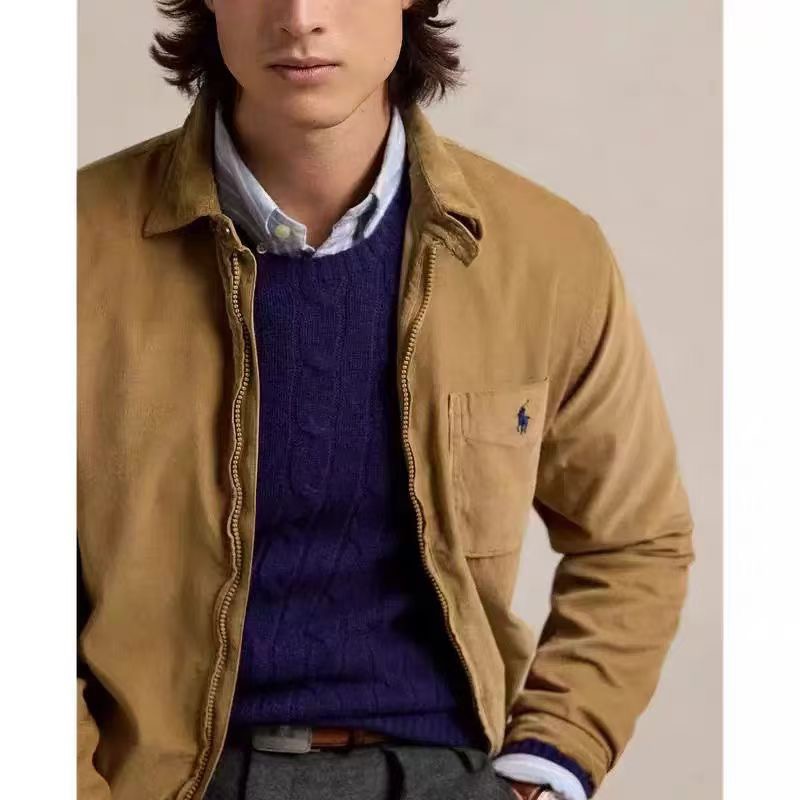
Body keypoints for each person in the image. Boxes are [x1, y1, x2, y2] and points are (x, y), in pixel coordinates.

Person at [76, 2, 696, 799]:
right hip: (168, 780)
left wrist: (551, 762)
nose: (301, 17)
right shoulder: (67, 250)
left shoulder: (547, 254)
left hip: (448, 772)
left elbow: (635, 538)